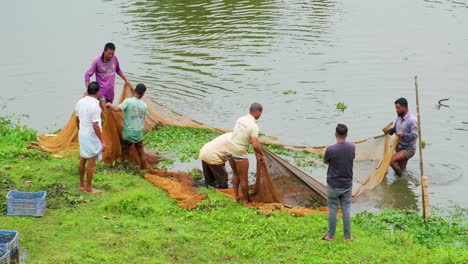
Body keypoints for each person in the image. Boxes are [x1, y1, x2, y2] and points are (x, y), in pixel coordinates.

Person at [227, 103, 265, 205]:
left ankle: (235, 197)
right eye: (260, 113)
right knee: (243, 178)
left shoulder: (240, 119)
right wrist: (262, 154)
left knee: (235, 173)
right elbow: (255, 145)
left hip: (230, 148)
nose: (260, 115)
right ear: (257, 112)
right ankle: (245, 201)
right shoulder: (254, 126)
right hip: (239, 151)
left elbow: (240, 134)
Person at [322, 124, 355, 241]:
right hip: (347, 184)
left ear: (335, 134)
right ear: (346, 135)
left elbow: (326, 162)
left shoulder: (330, 149)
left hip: (333, 184)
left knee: (332, 209)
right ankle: (348, 236)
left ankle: (330, 236)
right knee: (346, 209)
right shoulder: (352, 147)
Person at [106, 83, 148, 170]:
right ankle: (144, 170)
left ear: (135, 90)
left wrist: (109, 104)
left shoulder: (128, 101)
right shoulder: (144, 105)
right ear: (143, 93)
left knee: (125, 152)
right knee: (142, 154)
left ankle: (125, 169)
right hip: (138, 133)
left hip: (128, 133)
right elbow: (142, 118)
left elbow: (117, 109)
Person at [75, 81, 106, 194]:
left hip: (82, 133)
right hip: (90, 136)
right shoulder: (95, 106)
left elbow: (77, 119)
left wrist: (80, 130)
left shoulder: (80, 102)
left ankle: (81, 184)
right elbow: (96, 126)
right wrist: (102, 141)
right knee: (91, 161)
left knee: (83, 158)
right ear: (98, 92)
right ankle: (88, 188)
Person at [85, 42, 131, 109]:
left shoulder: (114, 59)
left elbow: (118, 70)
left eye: (113, 54)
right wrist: (88, 90)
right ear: (104, 51)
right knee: (104, 110)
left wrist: (126, 80)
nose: (111, 56)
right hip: (101, 92)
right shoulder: (97, 61)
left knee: (109, 110)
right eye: (109, 53)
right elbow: (87, 75)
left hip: (110, 91)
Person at [383, 97, 418, 176]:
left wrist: (403, 135)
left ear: (405, 107)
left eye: (398, 108)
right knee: (401, 169)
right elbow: (395, 130)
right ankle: (402, 181)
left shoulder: (412, 120)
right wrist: (388, 131)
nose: (396, 110)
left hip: (408, 149)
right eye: (396, 108)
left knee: (390, 160)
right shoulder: (398, 118)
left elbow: (415, 135)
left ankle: (403, 179)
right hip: (399, 148)